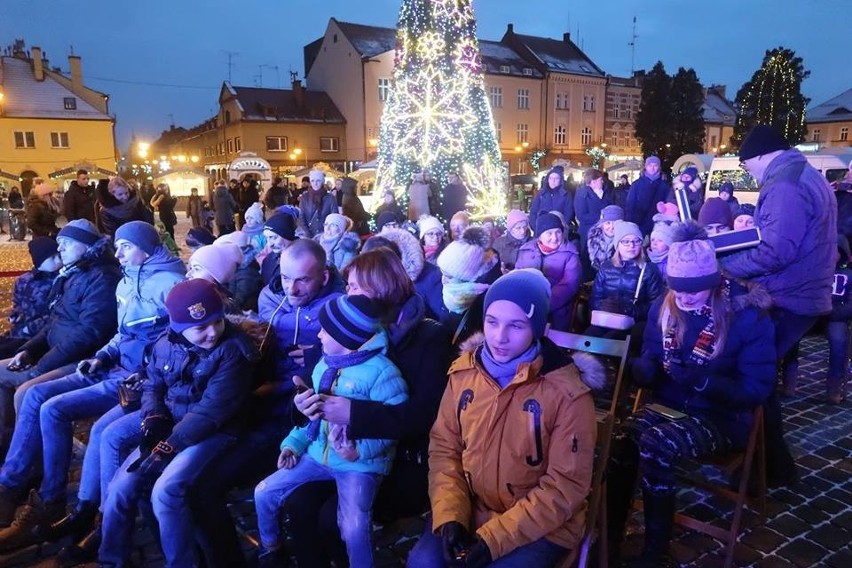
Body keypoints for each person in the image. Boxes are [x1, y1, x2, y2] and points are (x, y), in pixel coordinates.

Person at [0, 222, 184, 551]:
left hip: (136, 378)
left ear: (144, 247)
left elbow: (176, 340)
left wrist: (142, 371)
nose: (119, 253)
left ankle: (92, 515)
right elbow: (121, 332)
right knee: (48, 404)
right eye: (118, 246)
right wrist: (102, 355)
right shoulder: (127, 281)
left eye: (126, 246)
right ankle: (49, 497)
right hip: (112, 365)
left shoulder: (169, 283)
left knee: (97, 427)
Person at [607, 223, 776, 566]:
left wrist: (703, 382)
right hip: (671, 404)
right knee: (619, 438)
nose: (683, 298)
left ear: (712, 284)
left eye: (693, 291)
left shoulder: (745, 316)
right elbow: (655, 360)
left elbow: (757, 389)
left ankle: (656, 548)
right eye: (677, 289)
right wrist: (645, 371)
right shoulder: (665, 307)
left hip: (722, 417)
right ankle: (609, 536)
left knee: (656, 444)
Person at [407, 269, 600, 567]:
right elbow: (445, 447)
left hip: (541, 525)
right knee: (424, 563)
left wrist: (493, 538)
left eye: (516, 326)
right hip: (471, 506)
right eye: (492, 322)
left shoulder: (567, 394)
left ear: (537, 328)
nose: (499, 337)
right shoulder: (464, 373)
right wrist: (450, 515)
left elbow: (564, 487)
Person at [98, 279, 260, 568]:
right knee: (121, 487)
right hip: (173, 422)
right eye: (201, 327)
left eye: (217, 321)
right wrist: (153, 419)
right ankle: (110, 559)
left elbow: (211, 412)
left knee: (166, 490)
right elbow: (153, 385)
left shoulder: (233, 350)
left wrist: (166, 447)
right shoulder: (165, 343)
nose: (212, 332)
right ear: (179, 327)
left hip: (216, 430)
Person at [254, 295, 408, 567]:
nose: (320, 334)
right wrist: (292, 445)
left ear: (346, 336)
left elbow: (392, 427)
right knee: (264, 491)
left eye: (326, 330)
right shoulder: (325, 365)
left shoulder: (383, 374)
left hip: (360, 465)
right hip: (317, 453)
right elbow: (315, 418)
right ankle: (271, 547)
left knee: (353, 527)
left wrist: (357, 451)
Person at [721, 125, 837, 487]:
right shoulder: (802, 172)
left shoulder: (784, 183)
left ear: (756, 158)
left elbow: (775, 250)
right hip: (800, 291)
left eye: (745, 167)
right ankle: (772, 467)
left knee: (753, 377)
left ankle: (765, 470)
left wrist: (723, 264)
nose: (748, 175)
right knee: (763, 380)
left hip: (789, 294)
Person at [0, 221, 121, 449]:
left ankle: (27, 465)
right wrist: (29, 350)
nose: (60, 249)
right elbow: (55, 321)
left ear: (85, 246)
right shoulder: (75, 272)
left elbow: (90, 333)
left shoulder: (102, 277)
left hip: (80, 359)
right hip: (55, 352)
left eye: (66, 244)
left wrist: (42, 365)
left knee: (26, 393)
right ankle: (8, 443)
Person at [588, 221, 665, 341]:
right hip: (607, 318)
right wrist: (603, 305)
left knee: (610, 339)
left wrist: (628, 309)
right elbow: (595, 298)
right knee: (588, 337)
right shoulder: (606, 267)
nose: (631, 246)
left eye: (636, 241)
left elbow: (656, 305)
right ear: (617, 244)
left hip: (633, 324)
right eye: (626, 241)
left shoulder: (650, 270)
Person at [515, 212, 582, 331]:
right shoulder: (526, 251)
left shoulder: (570, 254)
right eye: (549, 233)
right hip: (527, 306)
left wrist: (543, 304)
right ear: (540, 235)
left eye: (558, 232)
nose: (554, 237)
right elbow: (517, 278)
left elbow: (569, 285)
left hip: (558, 308)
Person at [436, 226, 500, 343]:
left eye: (449, 275)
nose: (444, 280)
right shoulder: (453, 290)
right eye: (442, 273)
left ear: (465, 276)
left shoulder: (485, 297)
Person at [0, 238, 61, 359]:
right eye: (52, 258)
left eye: (58, 256)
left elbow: (59, 313)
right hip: (18, 331)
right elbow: (18, 303)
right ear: (39, 261)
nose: (59, 260)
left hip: (39, 336)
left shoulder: (61, 280)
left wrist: (29, 328)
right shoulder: (24, 280)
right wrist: (15, 315)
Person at [626, 157, 671, 236]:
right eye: (650, 165)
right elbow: (630, 205)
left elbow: (668, 205)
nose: (652, 168)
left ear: (659, 167)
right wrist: (631, 223)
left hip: (658, 225)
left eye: (655, 165)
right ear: (646, 167)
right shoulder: (636, 185)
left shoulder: (665, 186)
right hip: (639, 224)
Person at [574, 168, 615, 252]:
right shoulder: (582, 195)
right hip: (588, 232)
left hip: (604, 232)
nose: (603, 182)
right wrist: (601, 217)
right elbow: (581, 216)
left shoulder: (605, 194)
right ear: (593, 181)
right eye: (600, 180)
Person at [530, 165, 574, 234]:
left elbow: (568, 213)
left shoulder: (566, 195)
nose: (553, 181)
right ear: (547, 180)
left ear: (561, 180)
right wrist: (536, 228)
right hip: (541, 230)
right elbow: (533, 212)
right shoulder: (541, 194)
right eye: (550, 178)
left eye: (556, 178)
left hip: (558, 231)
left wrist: (562, 228)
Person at [260, 210, 298, 286]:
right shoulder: (268, 260)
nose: (270, 244)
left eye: (273, 238)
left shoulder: (303, 259)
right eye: (267, 238)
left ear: (287, 235)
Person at [298, 170, 339, 238]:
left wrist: (328, 233)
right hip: (309, 236)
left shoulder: (330, 198)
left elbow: (334, 218)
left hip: (326, 236)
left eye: (318, 181)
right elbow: (301, 217)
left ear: (322, 182)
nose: (315, 183)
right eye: (312, 181)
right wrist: (308, 234)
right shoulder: (304, 198)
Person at [587, 205, 624, 273]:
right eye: (608, 223)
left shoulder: (624, 242)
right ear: (602, 225)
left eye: (615, 224)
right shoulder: (593, 238)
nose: (611, 227)